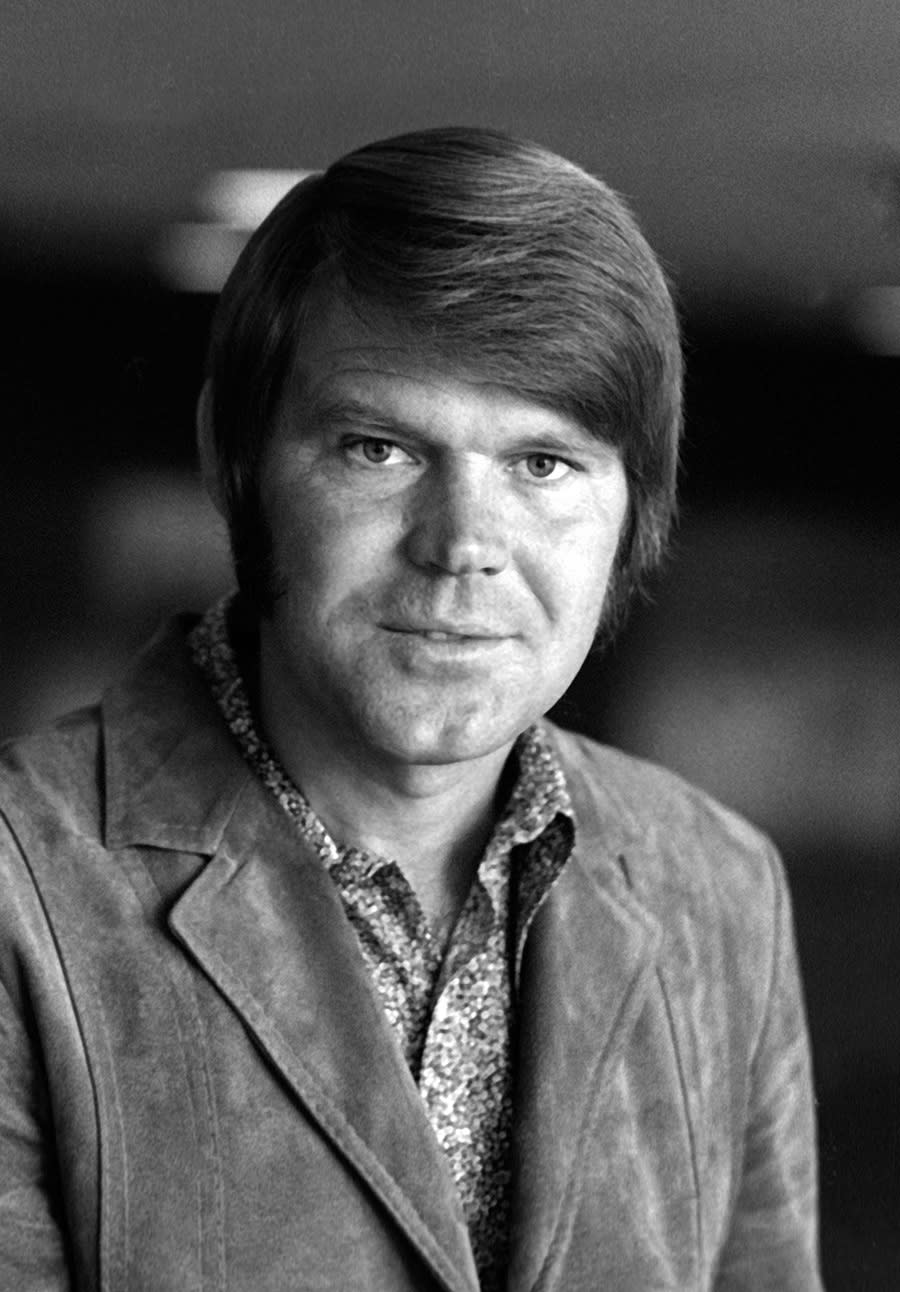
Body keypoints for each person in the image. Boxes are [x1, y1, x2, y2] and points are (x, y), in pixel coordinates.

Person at [0, 127, 821, 1291]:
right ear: (236, 463)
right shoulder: (20, 891)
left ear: (634, 507)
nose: (465, 547)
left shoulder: (717, 885)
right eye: (378, 448)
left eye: (543, 463)